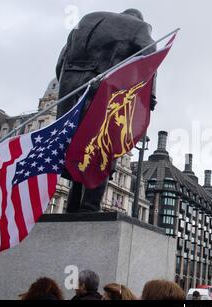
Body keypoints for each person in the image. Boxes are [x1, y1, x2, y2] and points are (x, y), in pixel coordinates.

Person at [55, 8, 157, 213]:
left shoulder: (86, 19)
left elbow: (61, 60)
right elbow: (151, 57)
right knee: (103, 147)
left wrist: (67, 82)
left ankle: (72, 206)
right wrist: (150, 97)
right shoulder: (139, 27)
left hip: (71, 87)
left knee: (77, 148)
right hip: (104, 90)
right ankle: (90, 207)